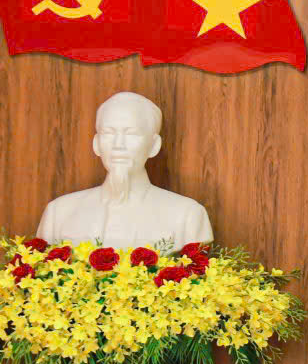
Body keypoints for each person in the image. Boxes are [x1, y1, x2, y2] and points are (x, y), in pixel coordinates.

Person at [36, 91, 213, 251]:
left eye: (131, 134)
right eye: (108, 133)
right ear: (96, 144)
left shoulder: (187, 215)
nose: (118, 145)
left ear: (154, 145)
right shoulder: (58, 213)